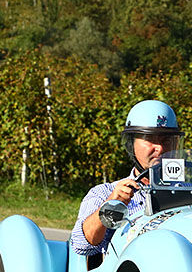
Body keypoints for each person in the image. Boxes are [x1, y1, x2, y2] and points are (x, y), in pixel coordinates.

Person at [71, 99, 182, 256]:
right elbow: (81, 245)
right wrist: (111, 205)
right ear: (131, 144)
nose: (160, 148)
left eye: (167, 140)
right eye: (150, 139)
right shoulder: (104, 193)